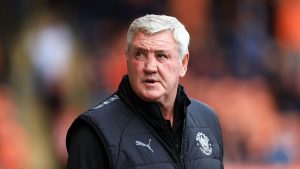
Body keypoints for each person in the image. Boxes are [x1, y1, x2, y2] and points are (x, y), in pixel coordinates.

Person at [66, 14, 224, 169]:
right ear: (127, 59)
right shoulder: (94, 132)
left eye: (161, 56)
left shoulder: (207, 120)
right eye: (140, 55)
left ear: (183, 63)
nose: (150, 67)